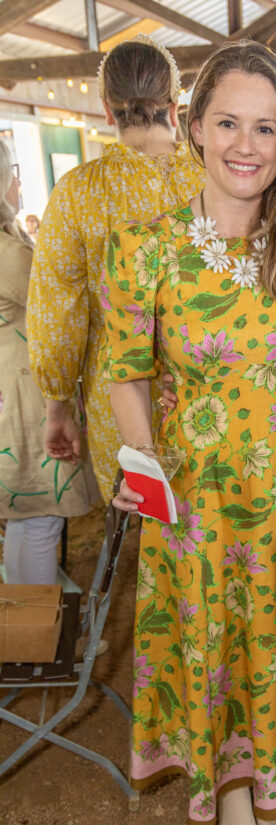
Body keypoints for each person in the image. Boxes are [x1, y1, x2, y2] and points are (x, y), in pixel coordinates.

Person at [104, 41, 276, 825]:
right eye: (228, 124)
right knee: (216, 643)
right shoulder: (143, 247)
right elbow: (125, 375)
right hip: (195, 498)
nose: (246, 146)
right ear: (192, 126)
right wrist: (151, 478)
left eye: (267, 129)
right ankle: (235, 785)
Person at [27, 35, 206, 503]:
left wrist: (58, 407)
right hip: (216, 388)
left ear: (107, 109)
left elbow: (56, 316)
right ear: (174, 102)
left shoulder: (77, 193)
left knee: (146, 525)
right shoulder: (215, 177)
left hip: (121, 402)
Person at [0, 143, 96, 584]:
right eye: (13, 172)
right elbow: (59, 309)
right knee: (39, 519)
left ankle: (27, 633)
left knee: (26, 523)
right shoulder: (9, 255)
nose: (19, 181)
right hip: (26, 397)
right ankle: (34, 638)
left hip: (12, 389)